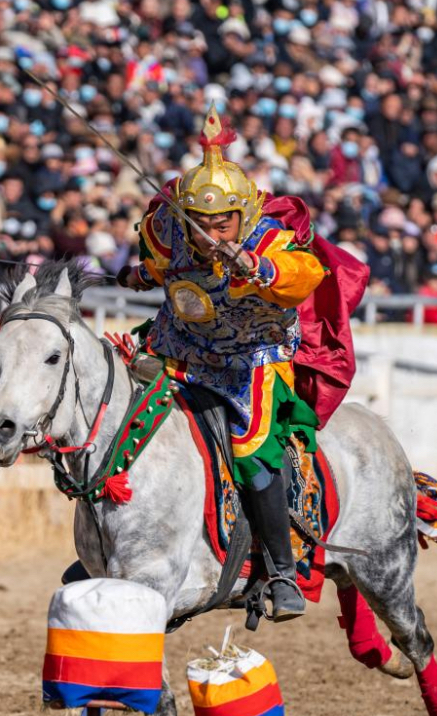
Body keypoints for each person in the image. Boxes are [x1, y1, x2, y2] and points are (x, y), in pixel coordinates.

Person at [118, 106, 367, 621]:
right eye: (201, 223)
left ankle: (279, 569)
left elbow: (307, 274)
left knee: (252, 450)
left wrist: (258, 266)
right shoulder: (168, 225)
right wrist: (142, 275)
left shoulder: (268, 238)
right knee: (125, 416)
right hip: (179, 344)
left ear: (242, 215)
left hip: (251, 360)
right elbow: (162, 261)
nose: (211, 234)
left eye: (222, 223)